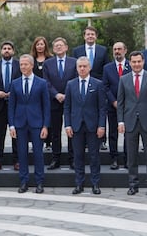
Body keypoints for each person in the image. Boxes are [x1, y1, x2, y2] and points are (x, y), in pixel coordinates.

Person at [64, 56, 106, 195]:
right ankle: (79, 184)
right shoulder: (70, 84)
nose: (82, 69)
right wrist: (68, 125)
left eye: (84, 66)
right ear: (76, 68)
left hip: (93, 126)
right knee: (78, 156)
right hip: (76, 126)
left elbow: (102, 107)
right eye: (79, 66)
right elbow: (67, 107)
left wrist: (101, 126)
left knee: (94, 156)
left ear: (89, 68)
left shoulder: (98, 84)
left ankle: (95, 183)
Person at [8, 54, 50, 194]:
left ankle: (39, 182)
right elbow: (11, 105)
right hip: (20, 123)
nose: (23, 67)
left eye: (26, 64)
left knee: (38, 153)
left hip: (37, 123)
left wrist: (45, 125)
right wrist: (12, 125)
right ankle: (24, 181)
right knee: (22, 153)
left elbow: (46, 106)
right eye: (21, 65)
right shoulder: (15, 83)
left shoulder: (42, 83)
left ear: (32, 65)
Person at [73, 26, 109, 150]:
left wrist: (103, 86)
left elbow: (106, 69)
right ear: (84, 36)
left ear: (96, 36)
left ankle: (102, 140)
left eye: (92, 34)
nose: (90, 36)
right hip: (82, 84)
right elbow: (75, 69)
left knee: (99, 111)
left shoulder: (103, 50)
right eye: (88, 34)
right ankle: (85, 140)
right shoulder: (77, 50)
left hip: (98, 86)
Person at [43, 37, 77, 170]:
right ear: (53, 49)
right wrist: (56, 94)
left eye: (61, 45)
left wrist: (67, 95)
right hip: (54, 101)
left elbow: (76, 79)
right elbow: (46, 82)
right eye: (56, 46)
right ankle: (55, 158)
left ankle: (72, 158)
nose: (58, 47)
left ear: (66, 47)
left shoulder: (74, 62)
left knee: (71, 130)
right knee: (55, 132)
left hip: (71, 101)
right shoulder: (48, 63)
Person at [117, 51, 147, 196]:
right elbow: (121, 103)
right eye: (133, 62)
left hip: (146, 122)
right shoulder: (123, 79)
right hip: (130, 123)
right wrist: (120, 121)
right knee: (131, 156)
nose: (136, 64)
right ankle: (133, 185)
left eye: (139, 61)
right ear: (129, 63)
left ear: (143, 62)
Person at [0, 40, 21, 171]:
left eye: (9, 48)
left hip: (16, 105)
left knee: (16, 134)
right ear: (1, 51)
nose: (6, 50)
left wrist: (14, 92)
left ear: (13, 51)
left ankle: (17, 160)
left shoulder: (19, 65)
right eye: (4, 48)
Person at [102, 42, 131, 170]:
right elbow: (105, 87)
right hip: (112, 105)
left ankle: (127, 159)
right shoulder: (107, 68)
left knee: (128, 134)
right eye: (115, 49)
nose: (117, 51)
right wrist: (113, 101)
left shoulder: (132, 66)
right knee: (113, 133)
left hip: (129, 106)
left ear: (125, 50)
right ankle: (114, 158)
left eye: (119, 49)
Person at [30, 36, 53, 150]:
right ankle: (35, 142)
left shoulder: (50, 59)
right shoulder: (31, 60)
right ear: (35, 46)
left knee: (47, 116)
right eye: (37, 44)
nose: (40, 46)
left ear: (45, 46)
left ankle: (48, 142)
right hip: (34, 93)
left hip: (47, 92)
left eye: (42, 44)